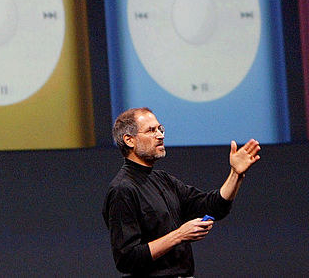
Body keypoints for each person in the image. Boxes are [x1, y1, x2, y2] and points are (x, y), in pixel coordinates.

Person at [102, 107, 261, 276]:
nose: (160, 135)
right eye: (151, 130)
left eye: (160, 129)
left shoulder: (163, 180)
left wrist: (236, 174)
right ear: (129, 140)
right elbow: (127, 259)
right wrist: (179, 235)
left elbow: (213, 207)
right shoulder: (122, 190)